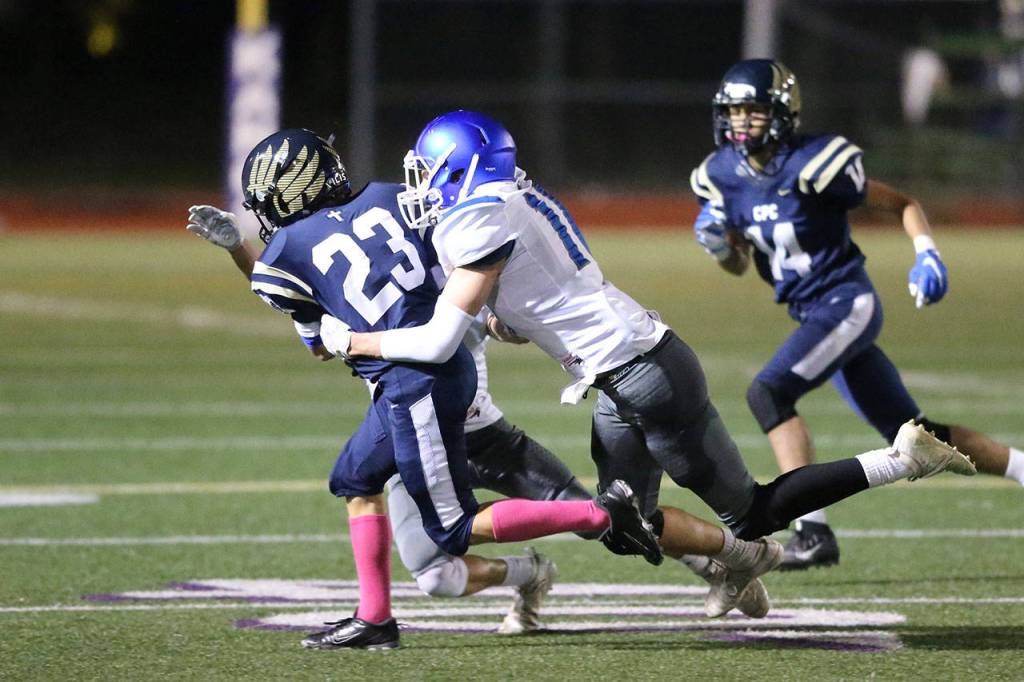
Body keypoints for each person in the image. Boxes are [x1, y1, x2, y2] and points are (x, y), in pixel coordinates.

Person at [319, 110, 976, 620]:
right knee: (619, 519)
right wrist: (495, 319)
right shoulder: (513, 200)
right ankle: (740, 562)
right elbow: (527, 303)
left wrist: (355, 341)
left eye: (432, 170)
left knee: (752, 507)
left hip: (646, 375)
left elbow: (437, 342)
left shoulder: (479, 221)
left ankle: (902, 459)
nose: (424, 185)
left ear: (461, 169)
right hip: (619, 376)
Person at [197, 128, 665, 650]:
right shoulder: (392, 197)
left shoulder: (282, 253)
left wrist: (242, 251)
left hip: (412, 383)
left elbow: (315, 341)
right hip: (435, 364)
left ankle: (602, 513)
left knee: (454, 532)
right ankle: (374, 617)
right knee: (353, 478)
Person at [187, 203, 595, 637]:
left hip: (482, 433)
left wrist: (507, 320)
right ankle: (528, 573)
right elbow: (297, 299)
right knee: (436, 573)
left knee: (595, 519)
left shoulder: (452, 266)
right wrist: (241, 252)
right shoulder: (360, 278)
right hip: (412, 434)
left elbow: (493, 315)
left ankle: (632, 529)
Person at [689, 58, 1024, 570]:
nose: (740, 122)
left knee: (769, 392)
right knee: (917, 433)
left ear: (781, 112)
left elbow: (902, 203)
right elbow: (741, 264)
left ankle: (813, 531)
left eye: (752, 111)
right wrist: (720, 249)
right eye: (733, 110)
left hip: (847, 302)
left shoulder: (816, 160)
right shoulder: (719, 176)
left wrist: (927, 253)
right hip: (813, 312)